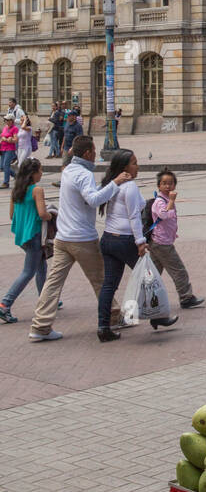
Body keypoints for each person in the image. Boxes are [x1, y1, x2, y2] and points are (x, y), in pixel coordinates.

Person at [29, 135, 133, 343]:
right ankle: (113, 316)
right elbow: (93, 200)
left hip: (63, 237)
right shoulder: (84, 174)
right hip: (82, 238)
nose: (95, 155)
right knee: (101, 280)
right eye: (94, 152)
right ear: (87, 153)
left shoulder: (68, 170)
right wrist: (115, 182)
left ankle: (40, 326)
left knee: (53, 282)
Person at [97, 149, 179, 341]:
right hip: (125, 240)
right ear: (125, 167)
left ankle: (103, 326)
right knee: (151, 278)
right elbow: (134, 216)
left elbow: (140, 205)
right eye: (134, 163)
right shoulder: (129, 186)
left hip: (108, 239)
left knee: (109, 285)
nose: (138, 166)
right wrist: (140, 242)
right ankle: (158, 316)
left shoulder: (113, 184)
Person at [145, 168, 204, 310]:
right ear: (158, 185)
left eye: (170, 183)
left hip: (159, 241)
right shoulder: (160, 201)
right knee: (179, 270)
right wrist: (171, 201)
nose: (167, 186)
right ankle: (186, 297)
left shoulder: (164, 199)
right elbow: (164, 215)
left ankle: (146, 298)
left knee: (155, 272)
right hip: (162, 243)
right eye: (164, 183)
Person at [0, 157, 50, 323]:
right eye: (40, 170)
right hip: (34, 234)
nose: (42, 173)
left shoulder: (17, 190)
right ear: (33, 173)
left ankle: (46, 300)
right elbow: (43, 214)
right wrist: (52, 215)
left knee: (41, 264)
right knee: (29, 271)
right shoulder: (37, 190)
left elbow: (11, 215)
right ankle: (5, 304)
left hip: (22, 235)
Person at [1, 113, 18, 188]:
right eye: (5, 120)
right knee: (2, 166)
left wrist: (8, 140)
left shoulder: (15, 128)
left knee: (6, 165)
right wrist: (2, 139)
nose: (6, 121)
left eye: (7, 120)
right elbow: (2, 136)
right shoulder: (5, 127)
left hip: (10, 149)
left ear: (12, 121)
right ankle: (15, 175)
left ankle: (6, 182)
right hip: (2, 148)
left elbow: (15, 140)